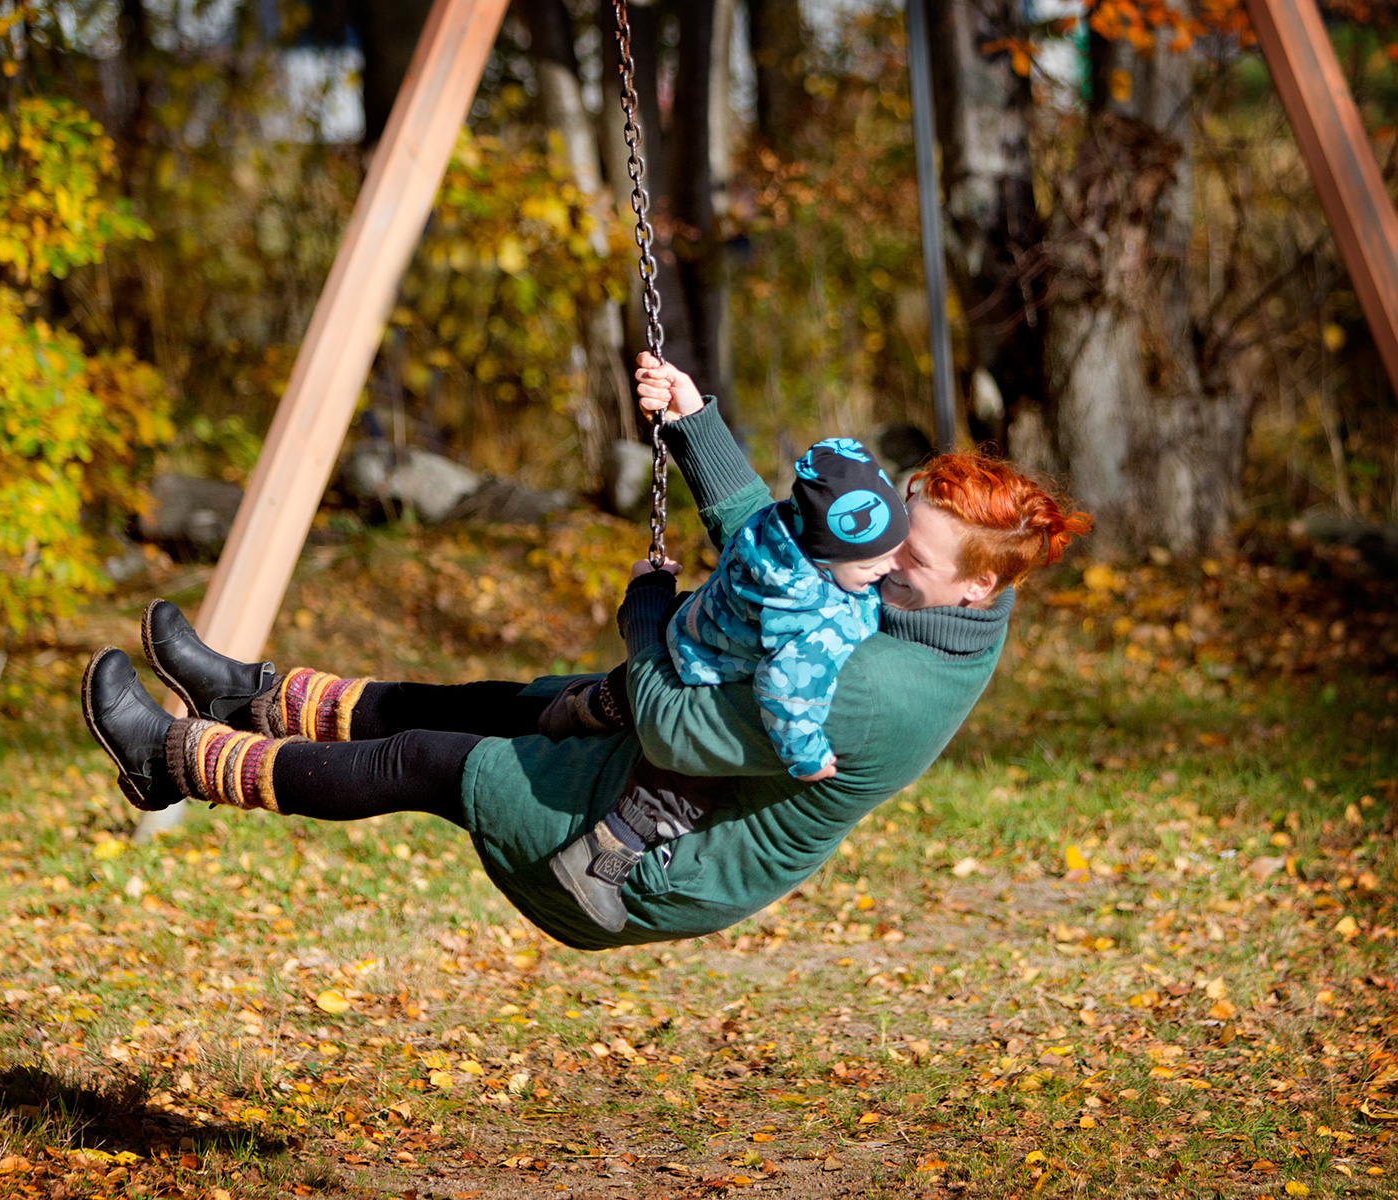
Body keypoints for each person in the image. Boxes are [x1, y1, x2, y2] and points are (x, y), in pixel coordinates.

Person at [80, 352, 1090, 951]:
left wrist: (647, 615)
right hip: (647, 766)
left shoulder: (883, 690)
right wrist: (696, 424)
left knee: (436, 760)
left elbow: (679, 728)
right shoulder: (893, 579)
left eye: (902, 558)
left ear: (977, 588)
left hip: (637, 853)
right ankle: (248, 695)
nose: (872, 561)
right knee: (484, 701)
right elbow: (783, 551)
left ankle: (171, 763)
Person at [542, 413, 911, 930]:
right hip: (710, 676)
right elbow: (785, 690)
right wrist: (805, 754)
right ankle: (600, 859)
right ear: (825, 561)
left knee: (632, 691)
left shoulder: (772, 531)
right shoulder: (818, 620)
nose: (888, 569)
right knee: (684, 784)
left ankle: (583, 708)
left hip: (692, 632)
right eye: (871, 564)